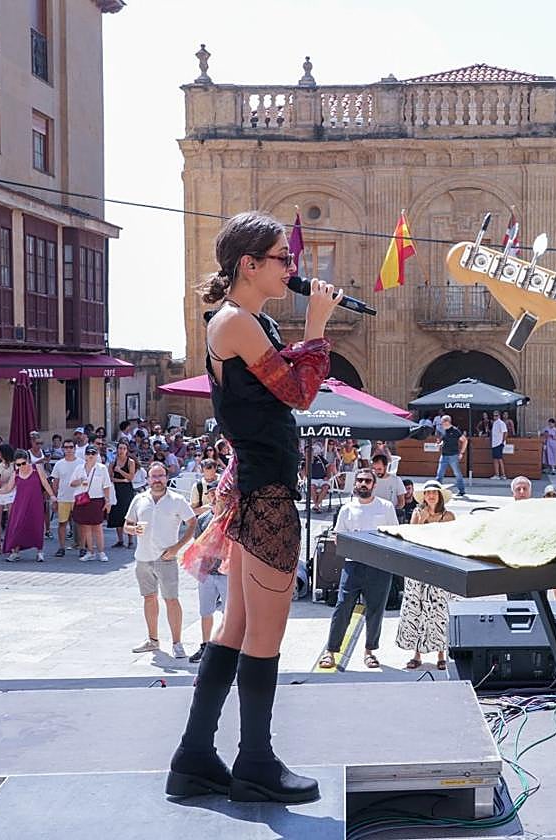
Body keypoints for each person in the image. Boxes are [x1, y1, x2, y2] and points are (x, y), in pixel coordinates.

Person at [167, 211, 339, 805]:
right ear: (249, 265)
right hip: (266, 494)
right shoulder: (237, 322)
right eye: (282, 259)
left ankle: (193, 757)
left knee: (238, 629)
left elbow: (282, 382)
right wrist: (317, 325)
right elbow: (297, 392)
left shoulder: (248, 321)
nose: (293, 269)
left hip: (255, 488)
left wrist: (302, 337)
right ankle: (256, 764)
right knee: (266, 636)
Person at [320, 467, 399, 671]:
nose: (363, 484)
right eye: (360, 480)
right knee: (342, 607)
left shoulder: (386, 506)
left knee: (375, 610)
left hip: (379, 566)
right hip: (353, 565)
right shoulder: (347, 509)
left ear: (374, 485)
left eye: (367, 481)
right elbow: (338, 537)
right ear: (355, 484)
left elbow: (395, 534)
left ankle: (370, 652)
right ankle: (331, 651)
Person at [125, 462, 196, 657]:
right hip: (142, 558)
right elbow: (127, 525)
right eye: (154, 476)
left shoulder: (177, 499)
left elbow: (192, 523)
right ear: (148, 479)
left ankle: (177, 643)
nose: (158, 480)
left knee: (171, 600)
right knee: (149, 598)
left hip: (166, 558)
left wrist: (177, 548)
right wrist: (133, 529)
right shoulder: (139, 499)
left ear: (167, 477)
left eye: (161, 475)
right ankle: (152, 640)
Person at [396, 479, 456, 670]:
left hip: (440, 566)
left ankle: (441, 654)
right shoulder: (417, 513)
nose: (431, 496)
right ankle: (417, 654)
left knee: (439, 612)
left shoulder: (448, 516)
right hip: (418, 567)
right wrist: (421, 521)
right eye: (428, 493)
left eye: (434, 493)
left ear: (439, 496)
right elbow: (411, 539)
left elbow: (453, 541)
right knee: (417, 611)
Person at [189, 481, 227, 665]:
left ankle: (227, 647)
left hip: (226, 572)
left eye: (217, 493)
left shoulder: (230, 517)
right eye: (211, 494)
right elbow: (196, 543)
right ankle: (205, 645)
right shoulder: (203, 519)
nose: (214, 497)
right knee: (205, 611)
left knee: (229, 612)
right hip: (207, 571)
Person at [0, 450, 55, 563]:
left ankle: (40, 552)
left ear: (28, 460)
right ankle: (15, 552)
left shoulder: (37, 468)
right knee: (17, 526)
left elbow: (45, 483)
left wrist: (52, 496)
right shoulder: (15, 473)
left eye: (23, 463)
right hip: (20, 504)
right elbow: (8, 489)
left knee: (37, 525)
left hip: (35, 502)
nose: (21, 466)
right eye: (18, 464)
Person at [71, 446, 112, 563]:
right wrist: (79, 481)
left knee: (98, 527)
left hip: (96, 500)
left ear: (97, 455)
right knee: (86, 527)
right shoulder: (79, 468)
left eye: (93, 453)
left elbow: (106, 485)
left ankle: (101, 552)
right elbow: (72, 483)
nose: (90, 455)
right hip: (83, 500)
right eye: (88, 453)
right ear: (84, 455)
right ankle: (90, 552)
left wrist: (108, 501)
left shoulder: (102, 468)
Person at [49, 439, 82, 558]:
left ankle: (82, 547)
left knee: (79, 523)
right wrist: (54, 499)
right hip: (63, 498)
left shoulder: (81, 463)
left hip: (78, 498)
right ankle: (61, 547)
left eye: (71, 447)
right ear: (63, 449)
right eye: (66, 447)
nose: (69, 450)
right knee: (62, 523)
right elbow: (55, 482)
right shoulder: (59, 464)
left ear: (74, 448)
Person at [109, 440, 138, 549]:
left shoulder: (130, 462)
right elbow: (110, 478)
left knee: (128, 514)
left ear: (127, 450)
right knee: (117, 514)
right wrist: (121, 480)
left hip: (127, 491)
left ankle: (130, 540)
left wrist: (120, 471)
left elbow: (130, 478)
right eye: (120, 448)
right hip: (116, 490)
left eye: (124, 449)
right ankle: (120, 540)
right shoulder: (113, 462)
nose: (121, 451)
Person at [434, 415, 467, 497]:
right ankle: (437, 491)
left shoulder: (455, 430)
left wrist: (462, 453)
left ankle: (461, 490)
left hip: (453, 455)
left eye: (442, 422)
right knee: (439, 474)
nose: (441, 424)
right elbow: (443, 441)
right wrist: (439, 444)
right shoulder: (443, 431)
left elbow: (465, 440)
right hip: (444, 455)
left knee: (457, 473)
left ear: (447, 422)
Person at [490, 411, 508, 480]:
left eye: (496, 415)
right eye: (494, 415)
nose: (495, 417)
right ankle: (497, 474)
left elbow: (505, 432)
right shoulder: (494, 423)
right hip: (494, 444)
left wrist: (502, 442)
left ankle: (503, 475)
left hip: (499, 443)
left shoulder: (501, 423)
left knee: (499, 459)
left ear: (499, 416)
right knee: (495, 459)